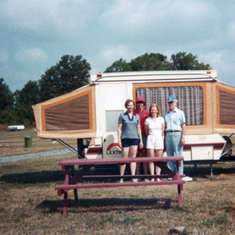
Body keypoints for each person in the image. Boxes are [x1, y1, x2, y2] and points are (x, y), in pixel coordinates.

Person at [118, 99, 143, 183]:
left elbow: (138, 129)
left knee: (133, 159)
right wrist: (119, 140)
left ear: (134, 106)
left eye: (132, 105)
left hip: (135, 139)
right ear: (126, 106)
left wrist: (141, 141)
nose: (130, 107)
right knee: (124, 159)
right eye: (129, 105)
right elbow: (119, 129)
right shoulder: (122, 115)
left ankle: (133, 177)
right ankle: (121, 178)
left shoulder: (136, 116)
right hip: (125, 139)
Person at [164, 95, 186, 176]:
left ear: (176, 102)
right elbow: (165, 126)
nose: (170, 104)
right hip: (168, 134)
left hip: (177, 133)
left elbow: (183, 125)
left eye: (172, 102)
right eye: (169, 103)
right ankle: (171, 175)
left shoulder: (180, 113)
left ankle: (179, 174)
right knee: (169, 155)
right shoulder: (166, 114)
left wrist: (183, 137)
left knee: (178, 155)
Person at [145, 104, 165, 181]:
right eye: (152, 109)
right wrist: (151, 136)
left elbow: (162, 130)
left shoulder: (161, 119)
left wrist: (159, 136)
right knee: (151, 159)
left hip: (159, 139)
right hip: (150, 139)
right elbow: (146, 131)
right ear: (150, 111)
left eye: (155, 109)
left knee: (158, 159)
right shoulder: (147, 120)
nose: (153, 111)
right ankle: (152, 176)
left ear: (157, 110)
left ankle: (158, 176)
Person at [134, 96, 149, 177]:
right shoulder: (134, 113)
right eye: (138, 103)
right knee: (136, 156)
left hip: (144, 135)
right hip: (135, 135)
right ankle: (137, 174)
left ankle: (146, 174)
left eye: (141, 103)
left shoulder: (147, 113)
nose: (140, 104)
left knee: (144, 155)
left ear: (143, 104)